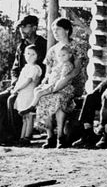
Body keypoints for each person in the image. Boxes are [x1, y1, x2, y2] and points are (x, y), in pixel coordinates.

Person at [0, 14, 47, 146]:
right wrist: (15, 83)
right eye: (20, 27)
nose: (21, 30)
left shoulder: (44, 45)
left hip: (34, 85)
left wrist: (31, 84)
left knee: (12, 101)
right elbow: (15, 69)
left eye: (25, 27)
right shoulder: (21, 46)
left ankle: (14, 136)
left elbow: (45, 68)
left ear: (34, 27)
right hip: (20, 84)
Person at [33, 18, 81, 149]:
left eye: (58, 29)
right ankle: (50, 136)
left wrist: (64, 80)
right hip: (53, 84)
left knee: (59, 98)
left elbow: (77, 69)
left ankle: (61, 136)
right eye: (53, 30)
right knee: (43, 97)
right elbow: (47, 71)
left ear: (66, 30)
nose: (55, 33)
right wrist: (44, 83)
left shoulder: (75, 47)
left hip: (70, 84)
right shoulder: (52, 50)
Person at [9, 45, 43, 146]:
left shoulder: (35, 68)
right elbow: (20, 80)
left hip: (29, 93)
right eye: (28, 54)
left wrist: (18, 88)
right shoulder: (26, 67)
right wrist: (15, 88)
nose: (30, 56)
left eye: (33, 54)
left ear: (37, 56)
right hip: (23, 94)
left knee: (29, 116)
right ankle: (22, 137)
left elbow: (28, 81)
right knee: (24, 117)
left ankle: (27, 136)